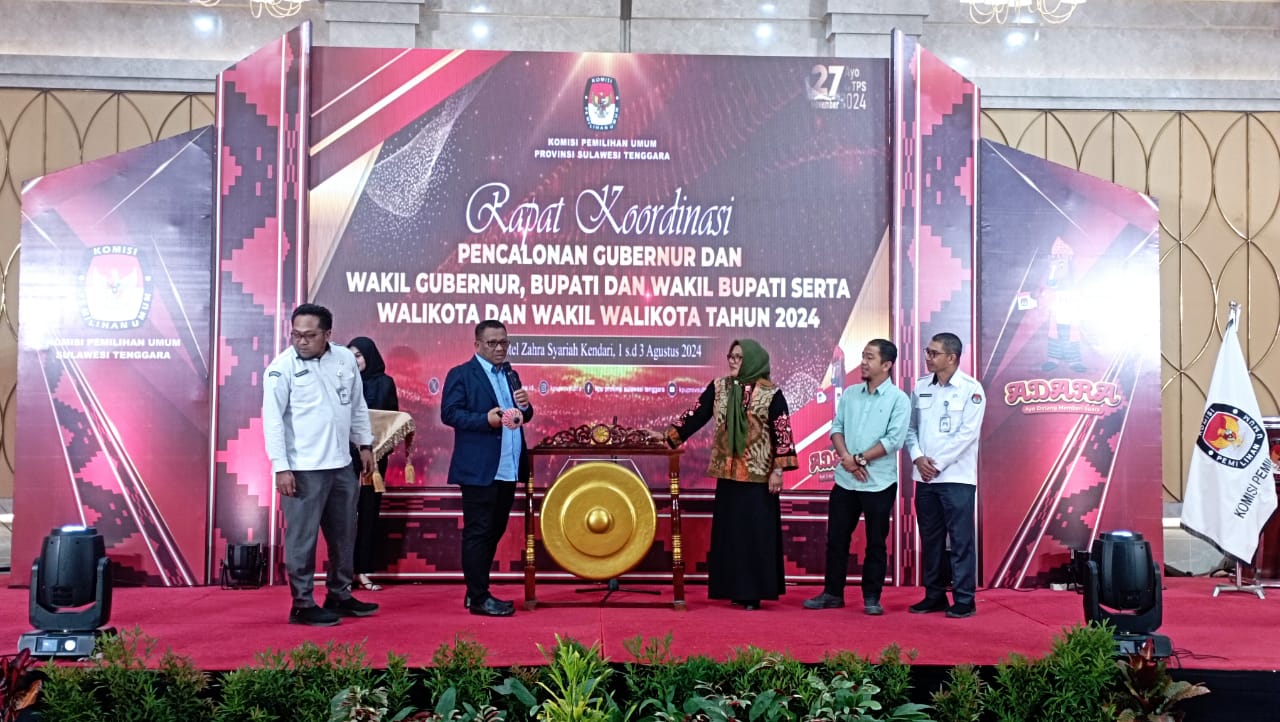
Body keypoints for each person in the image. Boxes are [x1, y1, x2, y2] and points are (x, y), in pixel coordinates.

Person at [263, 303, 379, 626]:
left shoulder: (344, 359)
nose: (301, 341)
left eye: (309, 335)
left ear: (328, 334)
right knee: (303, 539)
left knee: (344, 534)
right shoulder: (280, 368)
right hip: (303, 468)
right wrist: (281, 467)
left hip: (342, 463)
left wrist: (365, 444)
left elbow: (357, 405)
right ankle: (302, 603)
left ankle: (339, 594)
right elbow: (272, 421)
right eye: (296, 335)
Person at [658, 339, 796, 610]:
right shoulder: (719, 387)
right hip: (728, 474)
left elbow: (782, 434)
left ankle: (753, 593)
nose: (732, 361)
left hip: (759, 478)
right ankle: (733, 589)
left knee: (755, 535)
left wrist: (778, 471)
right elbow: (695, 415)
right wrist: (669, 437)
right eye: (731, 356)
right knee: (731, 534)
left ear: (753, 360)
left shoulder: (771, 394)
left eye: (739, 357)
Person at [804, 339, 910, 616]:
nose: (863, 362)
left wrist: (859, 459)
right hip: (845, 480)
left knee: (876, 542)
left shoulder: (899, 399)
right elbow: (836, 429)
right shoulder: (851, 394)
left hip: (879, 483)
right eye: (863, 356)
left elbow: (894, 440)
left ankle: (872, 597)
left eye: (870, 357)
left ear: (886, 365)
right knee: (836, 539)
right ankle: (832, 594)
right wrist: (848, 460)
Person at [441, 319, 533, 617]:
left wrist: (525, 406)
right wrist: (485, 420)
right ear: (477, 344)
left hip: (508, 466)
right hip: (479, 468)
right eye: (492, 343)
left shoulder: (510, 374)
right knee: (478, 531)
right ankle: (480, 597)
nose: (499, 348)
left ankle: (475, 591)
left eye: (504, 342)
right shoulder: (461, 374)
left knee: (495, 529)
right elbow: (450, 413)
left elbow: (520, 417)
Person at [905, 332, 986, 619]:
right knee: (931, 539)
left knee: (961, 540)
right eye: (927, 352)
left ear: (951, 357)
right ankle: (934, 595)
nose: (927, 357)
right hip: (924, 478)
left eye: (933, 353)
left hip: (957, 478)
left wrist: (936, 464)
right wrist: (918, 457)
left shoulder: (971, 389)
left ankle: (964, 598)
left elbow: (968, 434)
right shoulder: (921, 386)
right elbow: (910, 429)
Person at [347, 336, 400, 592]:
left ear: (369, 356)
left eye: (358, 355)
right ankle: (342, 573)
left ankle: (363, 571)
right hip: (343, 455)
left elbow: (393, 419)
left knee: (369, 513)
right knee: (343, 514)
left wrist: (377, 446)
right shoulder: (342, 381)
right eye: (350, 356)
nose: (354, 360)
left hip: (375, 457)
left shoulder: (385, 383)